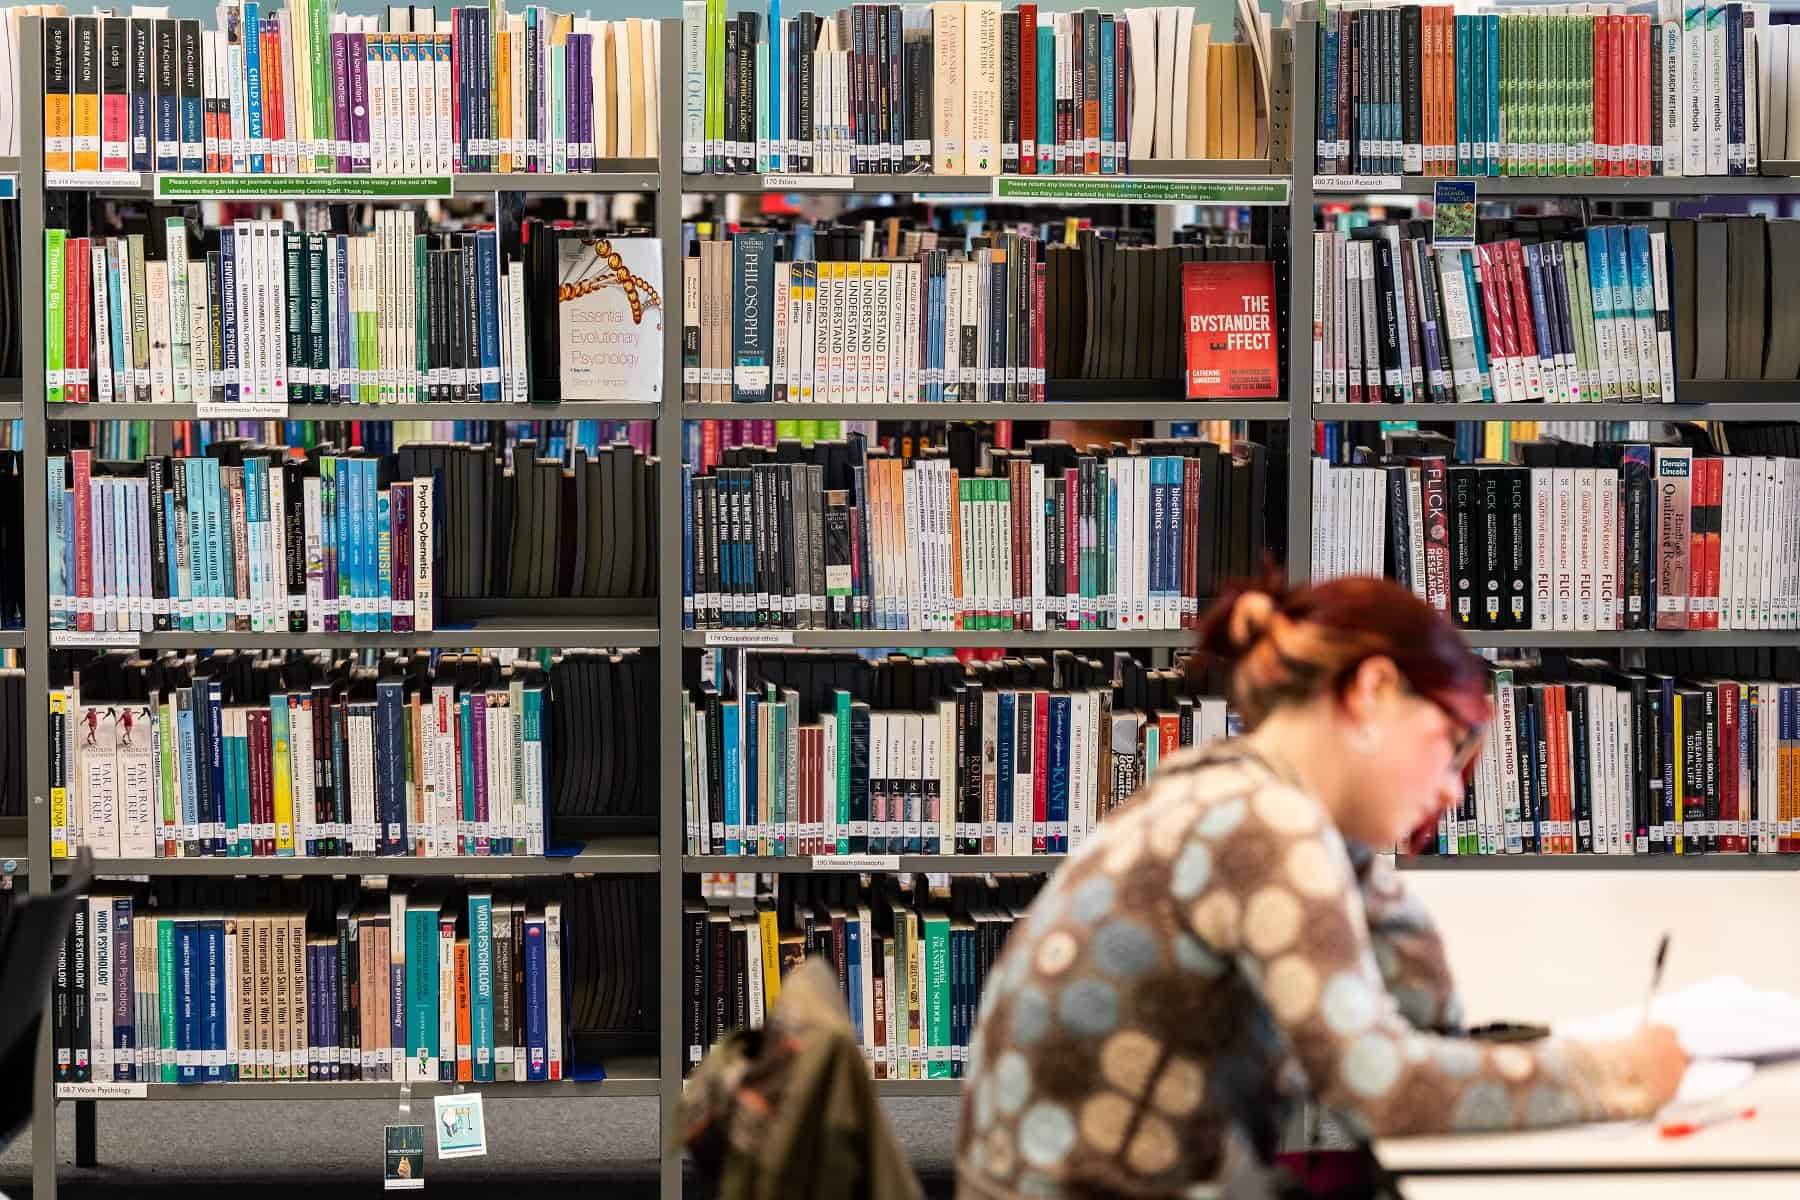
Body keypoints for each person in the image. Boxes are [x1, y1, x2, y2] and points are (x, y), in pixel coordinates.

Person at [955, 573, 1688, 1198]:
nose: (1453, 789)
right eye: (1451, 744)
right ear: (1373, 690)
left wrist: (1364, 854)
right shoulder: (1261, 823)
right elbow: (1385, 1090)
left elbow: (1425, 1016)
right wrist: (1612, 1073)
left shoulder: (1241, 789)